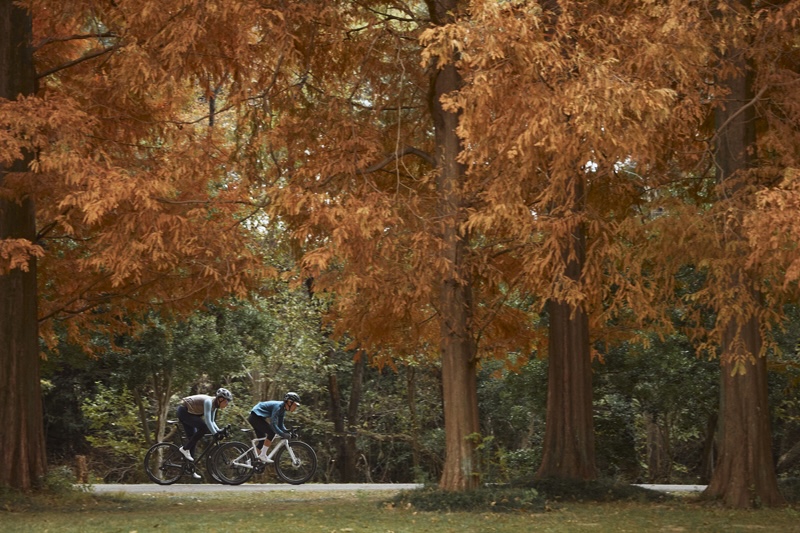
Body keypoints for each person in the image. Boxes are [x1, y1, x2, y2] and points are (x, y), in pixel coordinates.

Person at [177, 387, 233, 470]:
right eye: (226, 401)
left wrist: (218, 431)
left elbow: (212, 421)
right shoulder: (208, 402)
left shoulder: (215, 405)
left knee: (193, 440)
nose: (227, 404)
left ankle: (189, 468)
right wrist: (215, 434)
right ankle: (185, 449)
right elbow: (207, 421)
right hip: (183, 411)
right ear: (220, 399)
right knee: (204, 428)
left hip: (190, 413)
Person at [248, 392, 300, 463]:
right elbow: (273, 424)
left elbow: (280, 425)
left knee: (262, 442)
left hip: (257, 417)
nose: (295, 407)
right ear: (289, 402)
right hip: (255, 417)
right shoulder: (278, 407)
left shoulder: (282, 410)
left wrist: (288, 432)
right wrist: (282, 434)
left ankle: (250, 461)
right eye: (295, 405)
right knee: (272, 432)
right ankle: (262, 455)